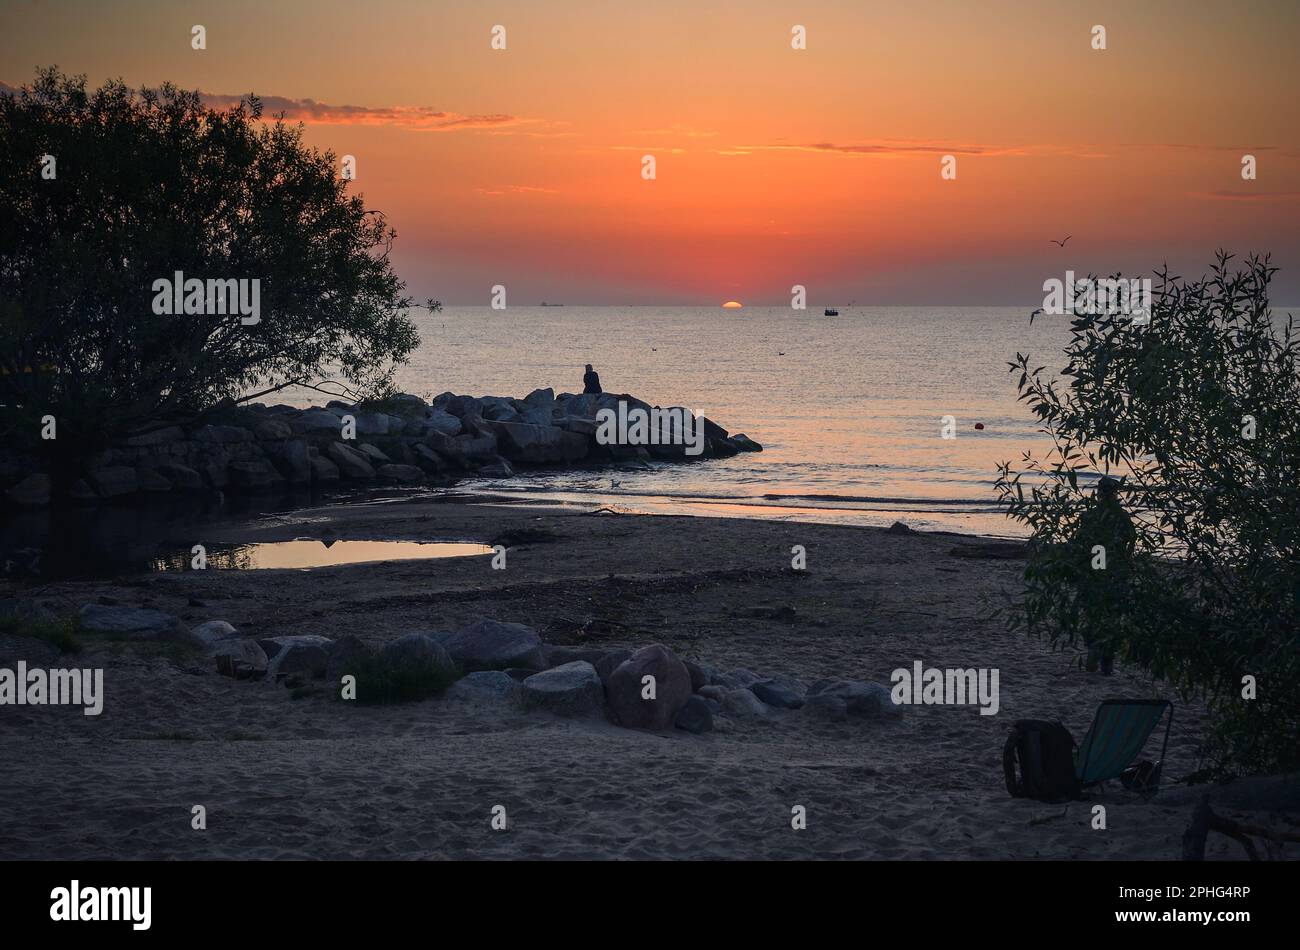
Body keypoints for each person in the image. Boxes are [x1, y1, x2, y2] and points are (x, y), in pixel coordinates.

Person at [1071, 476, 1136, 674]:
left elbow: (1081, 543)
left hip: (1096, 568)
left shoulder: (1090, 516)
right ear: (1115, 493)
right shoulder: (1122, 517)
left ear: (1099, 492)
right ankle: (1106, 660)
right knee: (1112, 615)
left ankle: (1095, 649)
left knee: (1094, 613)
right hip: (1114, 570)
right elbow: (1130, 541)